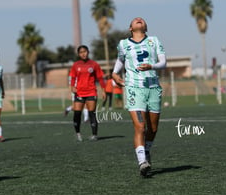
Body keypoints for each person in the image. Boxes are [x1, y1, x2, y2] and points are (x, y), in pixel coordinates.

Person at [111, 17, 166, 177]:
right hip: (134, 88)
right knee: (140, 127)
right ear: (130, 28)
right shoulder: (123, 44)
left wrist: (152, 66)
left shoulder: (154, 40)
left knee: (153, 129)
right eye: (135, 20)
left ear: (145, 27)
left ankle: (147, 151)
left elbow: (163, 62)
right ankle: (142, 161)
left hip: (153, 88)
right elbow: (121, 60)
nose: (138, 19)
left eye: (141, 20)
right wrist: (114, 74)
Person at [69, 45, 106, 141]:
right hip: (79, 93)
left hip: (91, 92)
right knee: (77, 113)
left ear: (88, 52)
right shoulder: (75, 65)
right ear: (78, 54)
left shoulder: (94, 64)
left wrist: (103, 91)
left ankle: (94, 135)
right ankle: (78, 134)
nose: (83, 54)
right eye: (81, 52)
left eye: (84, 51)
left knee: (92, 113)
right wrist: (72, 87)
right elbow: (73, 77)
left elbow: (100, 78)